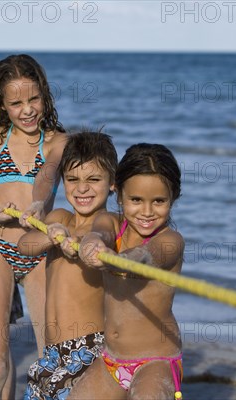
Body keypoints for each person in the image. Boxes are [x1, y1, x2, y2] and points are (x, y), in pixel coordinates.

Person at [0, 54, 67, 400]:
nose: (27, 110)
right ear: (1, 104)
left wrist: (40, 204)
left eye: (34, 99)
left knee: (48, 355)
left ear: (45, 95)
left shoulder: (57, 141)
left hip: (38, 251)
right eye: (16, 103)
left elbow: (47, 176)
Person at [69, 143, 184, 400]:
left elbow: (144, 257)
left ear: (173, 197)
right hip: (111, 359)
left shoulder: (171, 241)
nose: (146, 211)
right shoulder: (112, 223)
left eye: (159, 201)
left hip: (156, 361)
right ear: (118, 194)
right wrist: (92, 245)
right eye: (135, 200)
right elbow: (97, 234)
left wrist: (115, 260)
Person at [18, 131, 118, 399]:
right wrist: (50, 235)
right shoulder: (60, 216)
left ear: (113, 183)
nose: (82, 188)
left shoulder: (109, 223)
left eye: (93, 179)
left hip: (89, 349)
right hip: (51, 353)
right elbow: (24, 246)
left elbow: (101, 237)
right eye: (72, 179)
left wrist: (81, 243)